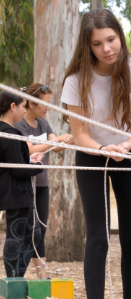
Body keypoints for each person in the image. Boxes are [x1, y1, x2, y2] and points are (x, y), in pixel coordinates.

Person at [60, 9, 131, 299]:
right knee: (98, 238)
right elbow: (79, 135)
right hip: (91, 153)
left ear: (120, 37)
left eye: (111, 39)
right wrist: (103, 149)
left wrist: (125, 147)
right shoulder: (76, 81)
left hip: (129, 152)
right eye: (97, 43)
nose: (106, 49)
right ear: (87, 46)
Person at [14, 83, 74, 279]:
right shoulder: (19, 125)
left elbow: (55, 148)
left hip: (41, 185)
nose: (47, 108)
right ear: (31, 103)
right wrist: (56, 141)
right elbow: (28, 150)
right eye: (44, 104)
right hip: (23, 186)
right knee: (28, 231)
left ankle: (43, 277)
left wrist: (66, 141)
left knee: (41, 229)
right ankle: (17, 275)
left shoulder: (44, 124)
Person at [0, 91, 44, 277]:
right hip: (15, 194)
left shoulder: (8, 132)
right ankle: (12, 281)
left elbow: (16, 163)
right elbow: (19, 170)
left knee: (34, 235)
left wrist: (29, 160)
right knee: (15, 237)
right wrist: (38, 166)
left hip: (20, 193)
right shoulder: (9, 134)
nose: (24, 110)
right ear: (12, 106)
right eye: (23, 106)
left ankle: (16, 277)